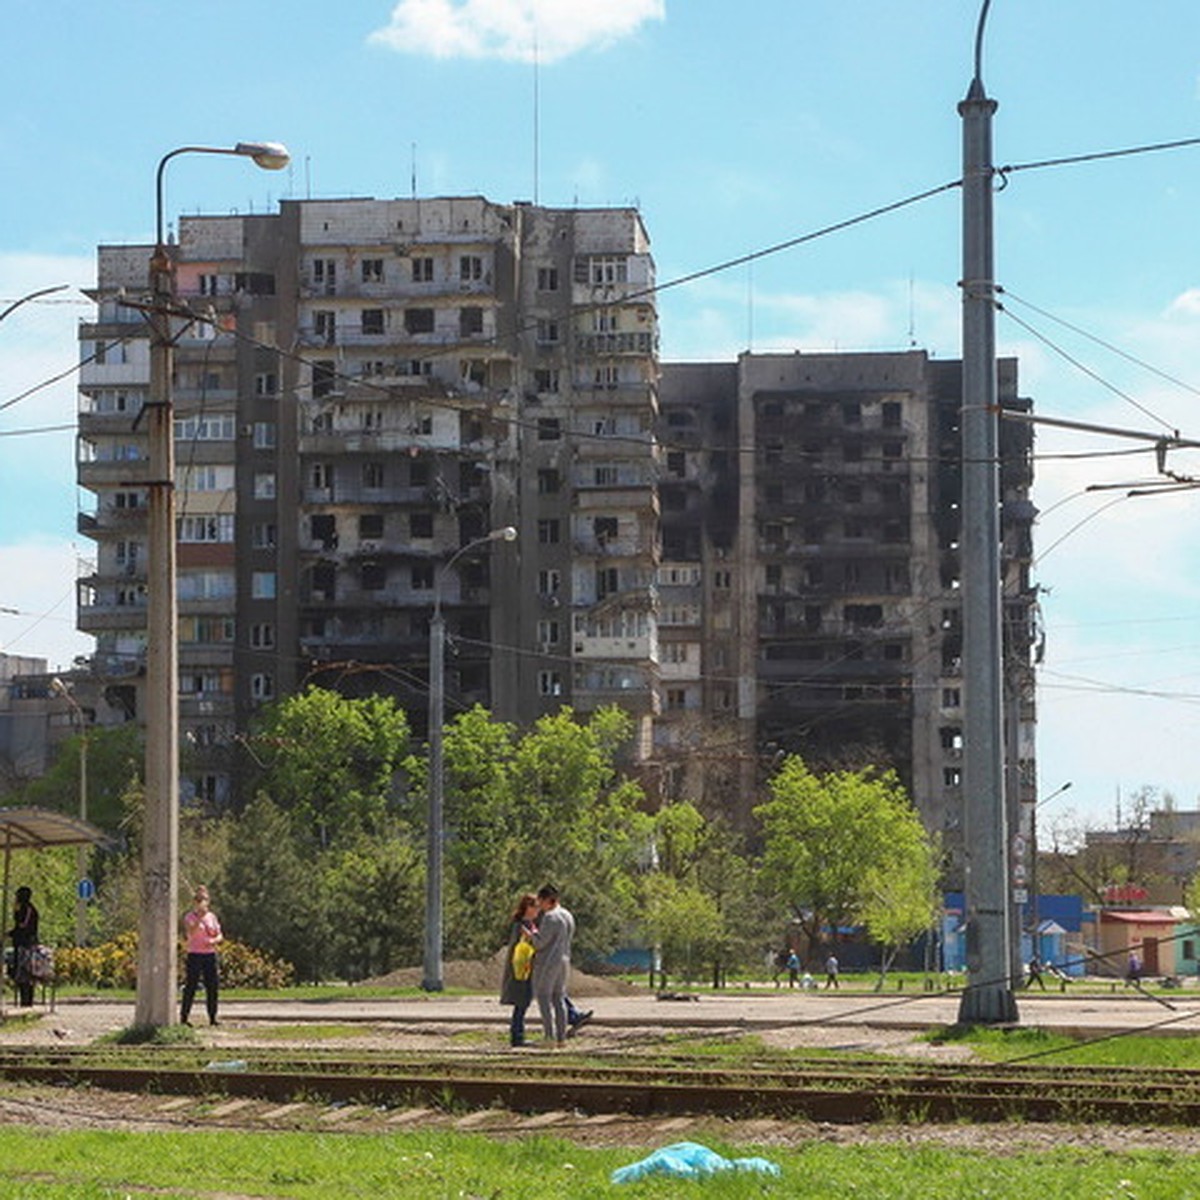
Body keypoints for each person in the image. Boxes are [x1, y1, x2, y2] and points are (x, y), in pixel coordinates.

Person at [530, 884, 575, 1047]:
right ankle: (561, 1038)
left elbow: (540, 943)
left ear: (547, 900)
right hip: (564, 959)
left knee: (543, 997)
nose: (539, 905)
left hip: (549, 961)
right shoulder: (567, 915)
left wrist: (532, 934)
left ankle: (549, 1036)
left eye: (540, 901)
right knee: (559, 997)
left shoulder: (550, 917)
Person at [180, 884, 223, 1026]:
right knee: (191, 985)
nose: (201, 902)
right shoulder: (190, 917)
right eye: (198, 900)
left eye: (204, 899)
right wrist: (199, 917)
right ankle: (184, 1017)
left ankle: (212, 1017)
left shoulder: (212, 917)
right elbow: (190, 932)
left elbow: (219, 935)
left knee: (212, 986)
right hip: (195, 954)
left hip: (209, 954)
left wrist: (214, 940)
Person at [500, 892, 539, 1047]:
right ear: (528, 908)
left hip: (526, 968)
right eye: (535, 907)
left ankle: (518, 1034)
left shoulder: (529, 923)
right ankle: (517, 1036)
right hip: (521, 969)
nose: (538, 910)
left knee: (523, 1002)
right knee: (521, 1003)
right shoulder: (522, 925)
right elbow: (521, 948)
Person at [9, 886, 39, 1007]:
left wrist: (11, 934)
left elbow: (22, 927)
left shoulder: (27, 909)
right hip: (21, 944)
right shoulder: (24, 908)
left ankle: (26, 1003)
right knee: (21, 975)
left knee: (25, 974)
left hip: (25, 945)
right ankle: (25, 1002)